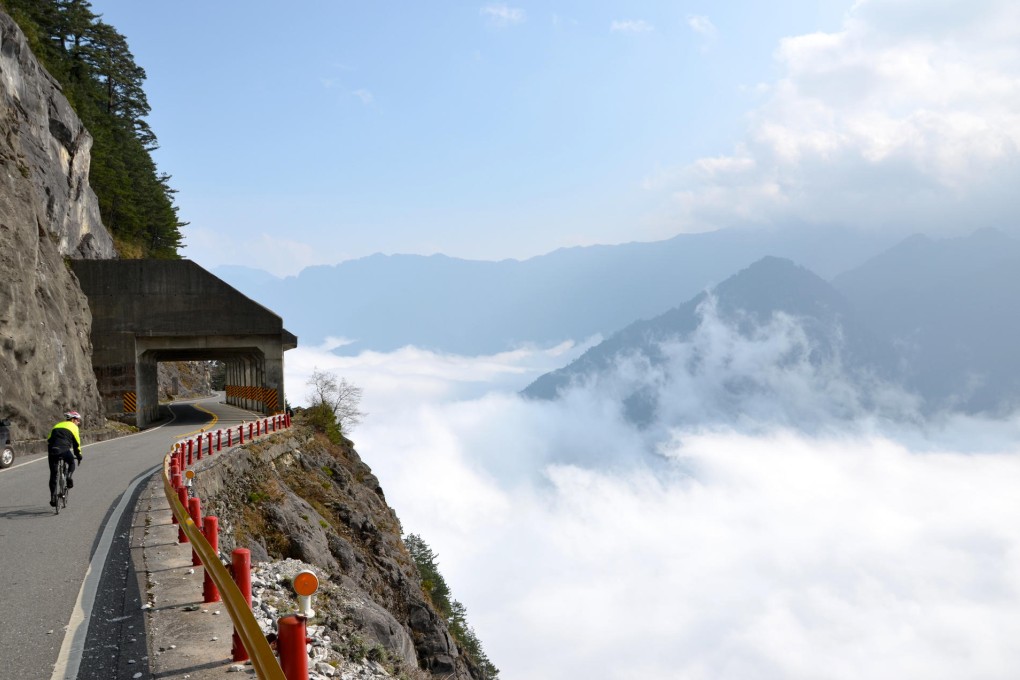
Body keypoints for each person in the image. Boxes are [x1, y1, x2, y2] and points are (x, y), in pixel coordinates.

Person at [48, 410, 82, 507]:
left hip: (53, 451)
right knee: (71, 462)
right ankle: (68, 477)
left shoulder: (57, 425)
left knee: (53, 474)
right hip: (64, 450)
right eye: (78, 420)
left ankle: (53, 498)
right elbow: (76, 443)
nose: (78, 422)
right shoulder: (74, 427)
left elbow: (49, 439)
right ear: (73, 419)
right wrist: (79, 455)